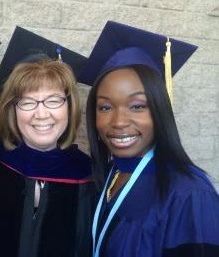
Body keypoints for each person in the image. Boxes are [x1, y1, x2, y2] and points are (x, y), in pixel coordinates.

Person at [80, 20, 219, 256]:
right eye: (105, 108)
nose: (119, 121)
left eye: (137, 106)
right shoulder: (111, 174)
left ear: (159, 109)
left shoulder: (190, 194)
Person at [0, 26, 97, 257]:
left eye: (54, 100)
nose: (42, 114)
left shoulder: (89, 176)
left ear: (69, 106)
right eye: (28, 101)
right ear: (12, 110)